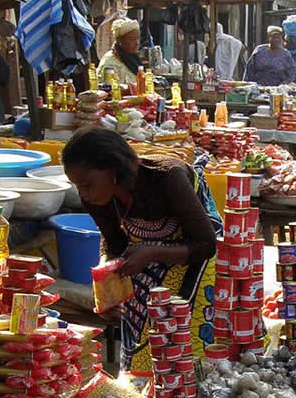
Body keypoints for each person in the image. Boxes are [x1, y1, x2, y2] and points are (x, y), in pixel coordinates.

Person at [63, 129, 222, 373]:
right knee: (143, 352)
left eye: (87, 185)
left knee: (185, 355)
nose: (83, 194)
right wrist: (107, 289)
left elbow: (206, 245)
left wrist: (151, 253)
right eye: (77, 186)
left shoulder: (168, 178)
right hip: (144, 265)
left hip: (196, 262)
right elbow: (114, 244)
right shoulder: (97, 197)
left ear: (113, 169)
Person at [97, 17, 144, 93]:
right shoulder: (110, 62)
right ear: (119, 40)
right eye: (132, 39)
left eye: (138, 38)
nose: (137, 43)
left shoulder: (133, 59)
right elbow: (109, 90)